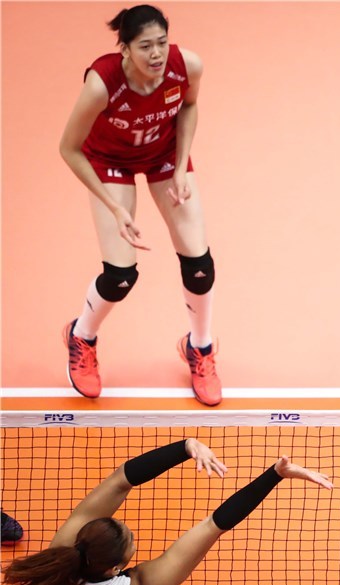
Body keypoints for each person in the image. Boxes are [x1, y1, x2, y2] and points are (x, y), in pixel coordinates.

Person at [2, 439, 332, 585]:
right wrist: (274, 475)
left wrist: (185, 448)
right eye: (132, 543)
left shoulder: (57, 558)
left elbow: (119, 482)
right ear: (117, 567)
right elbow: (213, 526)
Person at [59, 5, 221, 405]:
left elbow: (189, 106)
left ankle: (200, 347)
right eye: (145, 46)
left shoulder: (187, 67)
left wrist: (180, 167)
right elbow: (69, 148)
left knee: (199, 265)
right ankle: (82, 336)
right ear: (126, 49)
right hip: (108, 162)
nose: (156, 53)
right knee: (120, 275)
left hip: (163, 155)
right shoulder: (102, 84)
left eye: (162, 42)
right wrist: (115, 208)